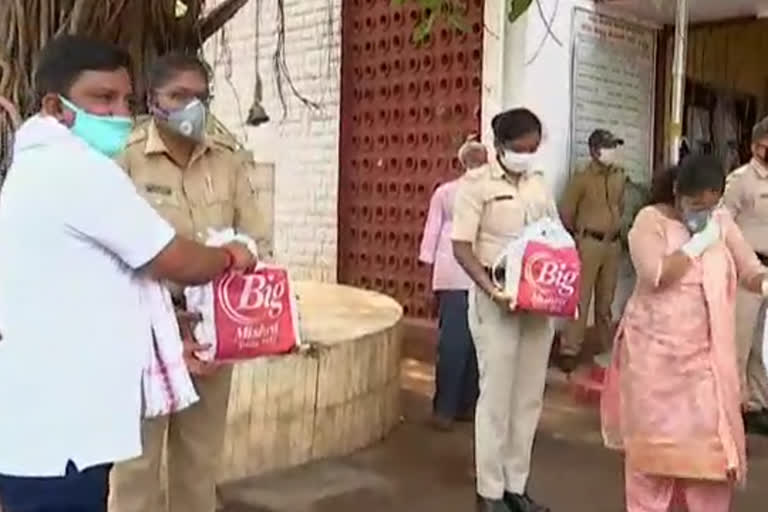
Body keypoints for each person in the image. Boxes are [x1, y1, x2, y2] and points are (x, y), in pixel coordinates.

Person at [0, 36, 256, 512]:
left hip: (177, 345)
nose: (118, 113)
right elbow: (171, 258)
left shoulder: (34, 164)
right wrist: (229, 257)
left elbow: (102, 287)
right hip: (66, 430)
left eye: (124, 100)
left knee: (199, 467)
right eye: (103, 98)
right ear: (55, 106)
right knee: (131, 479)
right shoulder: (83, 168)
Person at [108, 53, 267, 512]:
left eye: (200, 97)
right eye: (178, 96)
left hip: (211, 334)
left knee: (199, 464)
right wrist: (167, 324)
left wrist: (245, 260)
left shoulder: (227, 159)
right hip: (145, 332)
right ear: (153, 101)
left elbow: (256, 237)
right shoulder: (127, 159)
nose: (191, 108)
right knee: (136, 467)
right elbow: (112, 255)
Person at [601, 155, 768, 512]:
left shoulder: (721, 223)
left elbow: (749, 269)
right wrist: (698, 244)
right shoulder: (651, 221)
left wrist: (764, 283)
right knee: (653, 466)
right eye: (696, 205)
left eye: (712, 205)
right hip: (656, 365)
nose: (703, 213)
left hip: (706, 367)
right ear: (678, 193)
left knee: (709, 463)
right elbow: (655, 273)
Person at [452, 108, 557, 512]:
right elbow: (461, 246)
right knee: (496, 399)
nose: (527, 154)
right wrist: (490, 289)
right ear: (499, 147)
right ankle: (489, 493)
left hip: (536, 303)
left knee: (528, 399)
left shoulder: (539, 184)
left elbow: (554, 233)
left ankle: (517, 487)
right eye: (520, 148)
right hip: (496, 301)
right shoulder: (476, 185)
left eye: (533, 147)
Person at [419, 136, 485, 431]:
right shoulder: (492, 194)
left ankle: (445, 409)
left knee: (454, 344)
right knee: (473, 345)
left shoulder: (446, 192)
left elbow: (431, 235)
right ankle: (465, 408)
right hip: (481, 277)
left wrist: (428, 279)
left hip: (452, 276)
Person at [558, 129, 626, 372]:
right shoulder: (582, 178)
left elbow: (621, 206)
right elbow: (566, 211)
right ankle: (569, 349)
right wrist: (578, 235)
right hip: (589, 243)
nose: (612, 152)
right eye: (608, 147)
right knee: (580, 297)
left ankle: (607, 348)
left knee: (606, 300)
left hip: (613, 244)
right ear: (594, 150)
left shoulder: (619, 176)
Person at [723, 116, 768, 435]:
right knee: (739, 341)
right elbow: (723, 222)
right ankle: (732, 407)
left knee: (760, 345)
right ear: (755, 145)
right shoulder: (741, 179)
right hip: (747, 268)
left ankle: (756, 403)